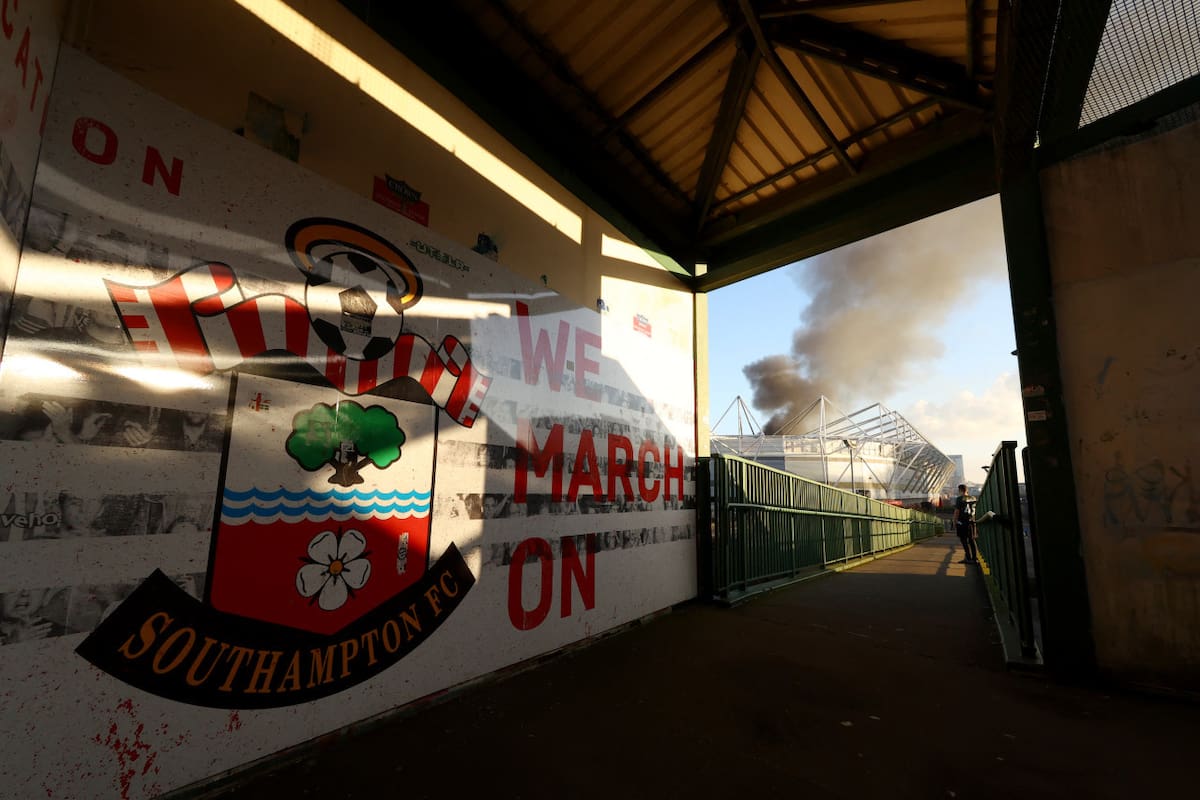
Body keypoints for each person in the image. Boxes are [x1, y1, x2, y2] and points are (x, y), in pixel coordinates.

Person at [953, 484, 978, 564]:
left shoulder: (960, 499)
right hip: (972, 521)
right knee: (972, 540)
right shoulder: (973, 498)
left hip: (962, 522)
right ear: (967, 490)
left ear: (960, 490)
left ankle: (968, 558)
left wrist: (954, 521)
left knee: (963, 540)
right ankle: (974, 558)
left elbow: (957, 511)